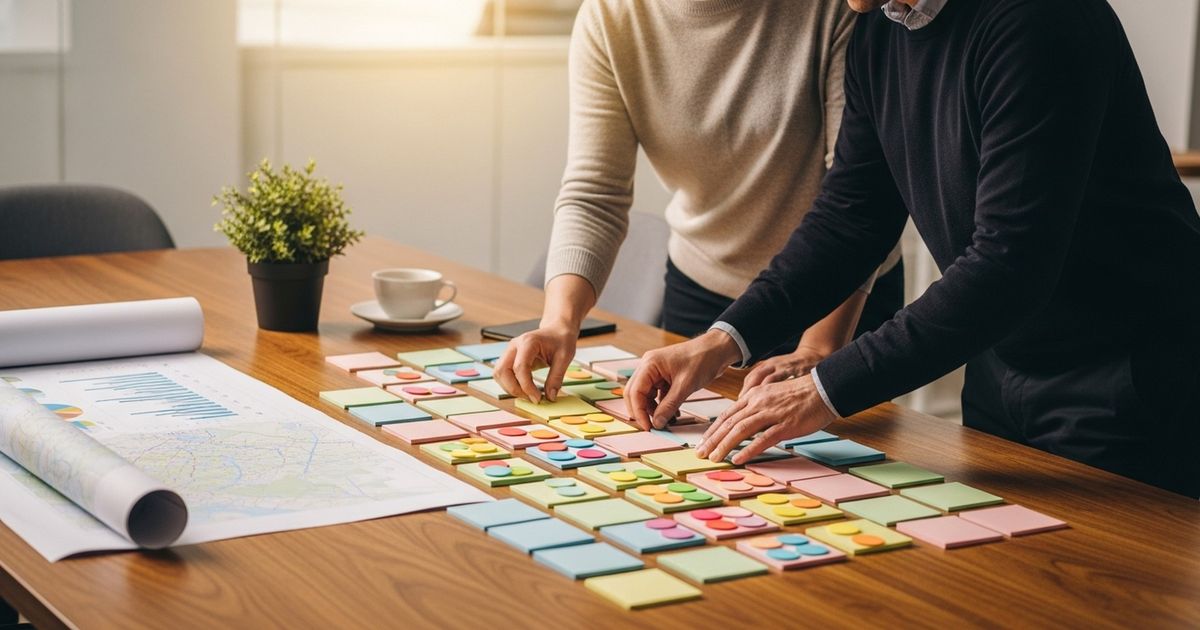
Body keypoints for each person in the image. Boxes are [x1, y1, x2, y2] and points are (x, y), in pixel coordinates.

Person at [627, 0, 1200, 498]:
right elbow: (850, 219)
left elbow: (1007, 263)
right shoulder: (881, 30)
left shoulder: (1039, 17)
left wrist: (823, 390)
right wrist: (722, 340)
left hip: (1129, 372)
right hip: (1003, 363)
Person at [494, 0, 903, 404]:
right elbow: (595, 193)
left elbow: (858, 205)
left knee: (837, 464)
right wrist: (559, 323)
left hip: (837, 301)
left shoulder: (839, 7)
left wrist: (818, 350)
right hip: (703, 293)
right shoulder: (610, 17)